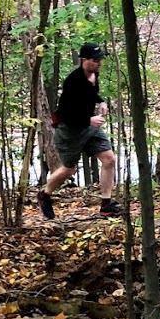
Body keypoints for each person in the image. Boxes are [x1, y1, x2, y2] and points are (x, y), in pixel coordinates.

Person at [38, 43, 122, 219]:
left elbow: (91, 94)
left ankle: (106, 204)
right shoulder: (73, 81)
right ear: (83, 60)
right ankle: (45, 195)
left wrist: (101, 101)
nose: (99, 63)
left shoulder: (94, 75)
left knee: (109, 159)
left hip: (89, 127)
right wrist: (88, 120)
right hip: (69, 130)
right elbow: (66, 114)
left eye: (101, 59)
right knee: (69, 170)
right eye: (95, 60)